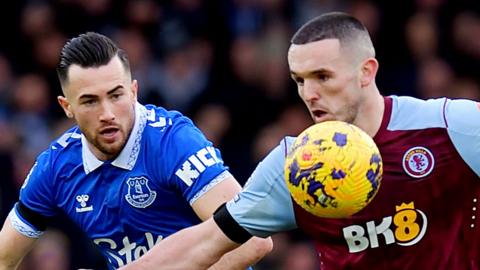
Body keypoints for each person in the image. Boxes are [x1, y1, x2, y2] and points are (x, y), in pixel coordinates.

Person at [120, 12, 480, 270]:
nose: (309, 94)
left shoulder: (449, 126)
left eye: (323, 76)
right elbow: (206, 242)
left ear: (366, 71)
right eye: (300, 80)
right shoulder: (294, 164)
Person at [0, 32, 272, 269]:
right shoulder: (57, 166)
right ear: (66, 106)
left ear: (133, 92)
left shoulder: (173, 141)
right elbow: (4, 258)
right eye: (90, 101)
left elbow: (253, 242)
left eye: (116, 95)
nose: (107, 113)